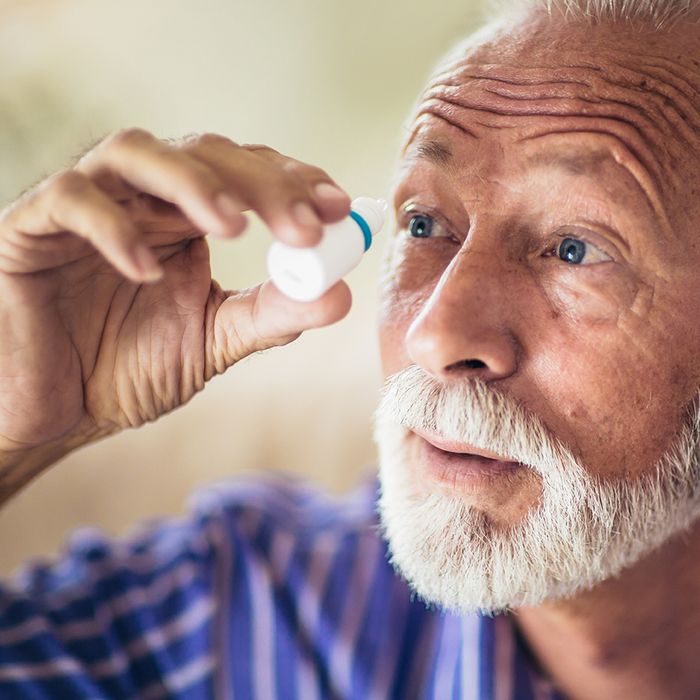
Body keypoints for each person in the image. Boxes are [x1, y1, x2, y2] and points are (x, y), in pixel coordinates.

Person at [2, 0, 700, 697]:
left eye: (575, 249)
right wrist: (12, 425)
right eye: (424, 223)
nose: (434, 335)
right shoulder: (260, 618)